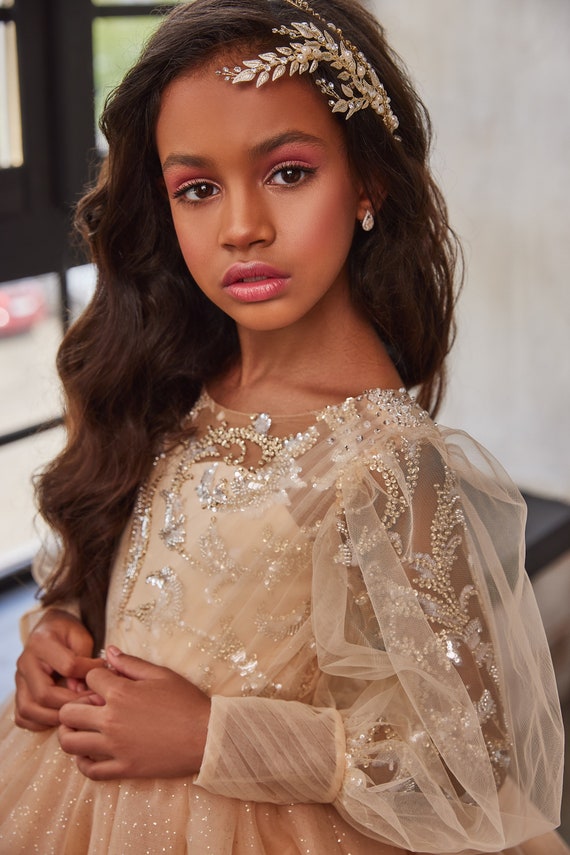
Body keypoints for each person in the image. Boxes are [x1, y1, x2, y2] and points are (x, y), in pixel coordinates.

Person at [0, 0, 567, 852]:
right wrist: (59, 633)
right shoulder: (166, 379)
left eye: (288, 172)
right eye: (197, 189)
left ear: (368, 179)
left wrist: (209, 734)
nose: (242, 228)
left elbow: (467, 768)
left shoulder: (385, 459)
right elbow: (123, 573)